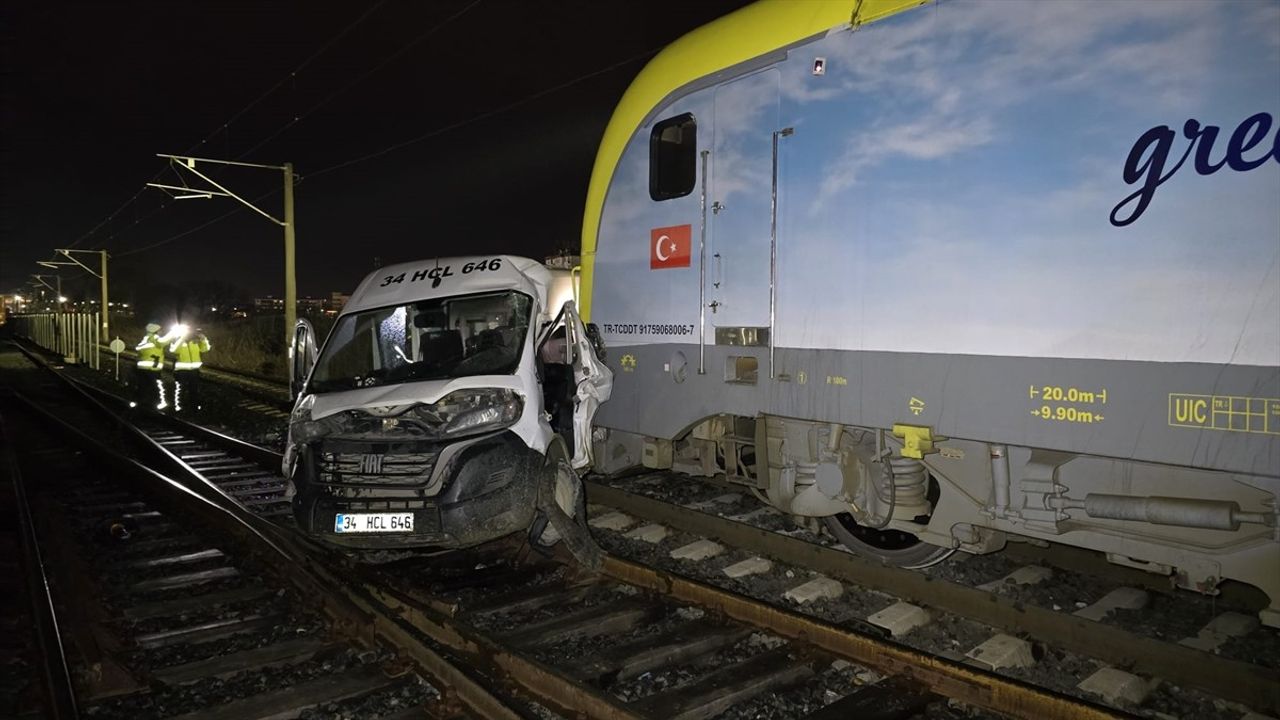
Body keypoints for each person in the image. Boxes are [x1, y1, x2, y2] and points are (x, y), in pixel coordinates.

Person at [170, 327, 211, 412]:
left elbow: (205, 349)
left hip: (194, 370)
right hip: (182, 370)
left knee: (194, 389)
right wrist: (182, 339)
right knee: (181, 389)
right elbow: (174, 350)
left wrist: (203, 339)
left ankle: (194, 407)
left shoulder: (195, 342)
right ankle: (179, 407)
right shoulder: (177, 341)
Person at [134, 323, 167, 409]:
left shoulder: (146, 339)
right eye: (160, 330)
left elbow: (139, 350)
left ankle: (140, 403)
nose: (161, 331)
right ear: (155, 331)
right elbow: (164, 342)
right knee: (155, 387)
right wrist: (175, 332)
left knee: (143, 386)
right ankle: (155, 405)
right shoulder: (155, 339)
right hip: (152, 368)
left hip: (142, 367)